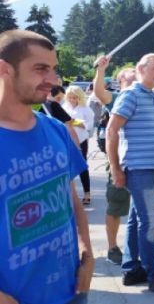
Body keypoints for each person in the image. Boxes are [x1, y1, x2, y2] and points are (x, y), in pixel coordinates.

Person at [0, 29, 94, 304]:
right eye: (41, 69)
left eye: (53, 69)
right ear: (4, 69)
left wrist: (86, 249)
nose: (53, 80)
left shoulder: (57, 130)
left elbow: (70, 196)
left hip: (71, 290)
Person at [106, 53, 154, 296]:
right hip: (139, 169)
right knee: (148, 222)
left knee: (137, 219)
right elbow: (112, 130)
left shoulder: (151, 96)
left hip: (150, 168)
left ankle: (131, 268)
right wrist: (115, 168)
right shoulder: (131, 94)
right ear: (141, 68)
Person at [92, 61, 136, 265]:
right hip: (121, 162)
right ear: (121, 81)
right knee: (116, 205)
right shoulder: (118, 98)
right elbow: (99, 92)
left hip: (142, 162)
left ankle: (142, 242)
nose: (136, 75)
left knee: (144, 206)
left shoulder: (146, 97)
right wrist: (101, 70)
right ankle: (112, 248)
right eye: (131, 74)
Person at [63, 85, 96, 206]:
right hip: (67, 140)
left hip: (81, 140)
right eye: (70, 97)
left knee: (82, 166)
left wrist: (76, 123)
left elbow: (90, 125)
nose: (72, 100)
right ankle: (68, 194)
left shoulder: (85, 109)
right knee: (66, 166)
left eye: (75, 97)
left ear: (80, 97)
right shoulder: (64, 107)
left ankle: (87, 193)